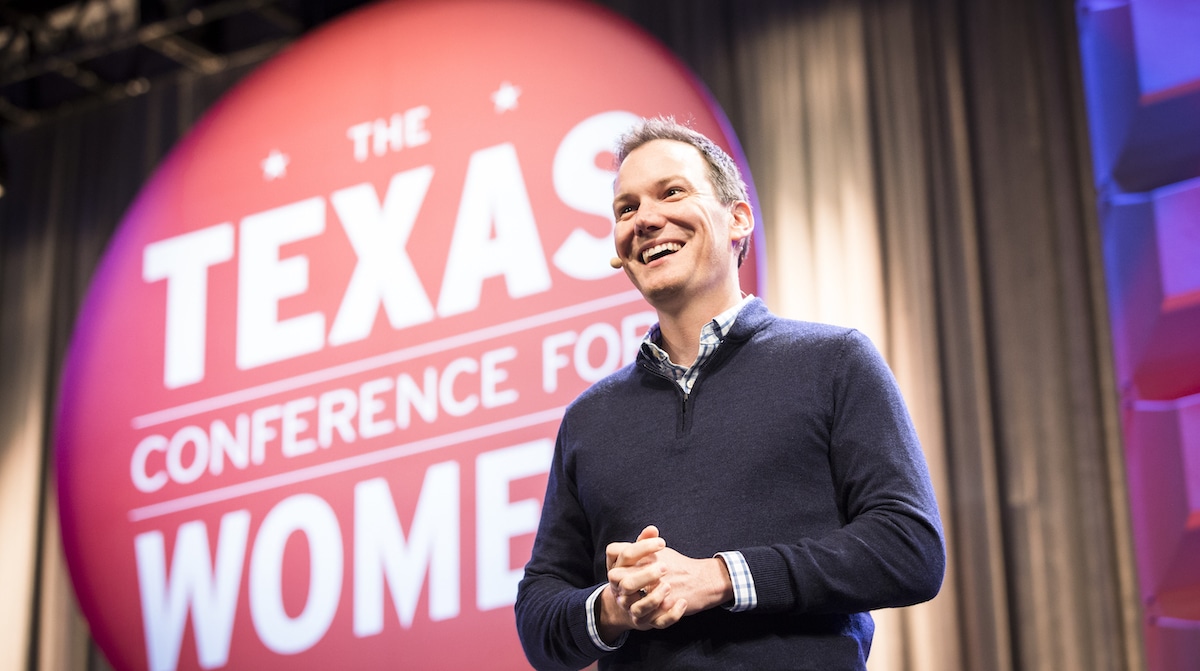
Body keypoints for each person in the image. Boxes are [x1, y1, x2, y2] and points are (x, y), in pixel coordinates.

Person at [514, 117, 945, 671]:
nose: (645, 219)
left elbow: (909, 548)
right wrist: (614, 608)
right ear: (618, 252)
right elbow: (538, 614)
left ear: (738, 218)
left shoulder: (834, 362)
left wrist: (719, 578)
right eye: (626, 209)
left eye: (672, 192)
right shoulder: (588, 420)